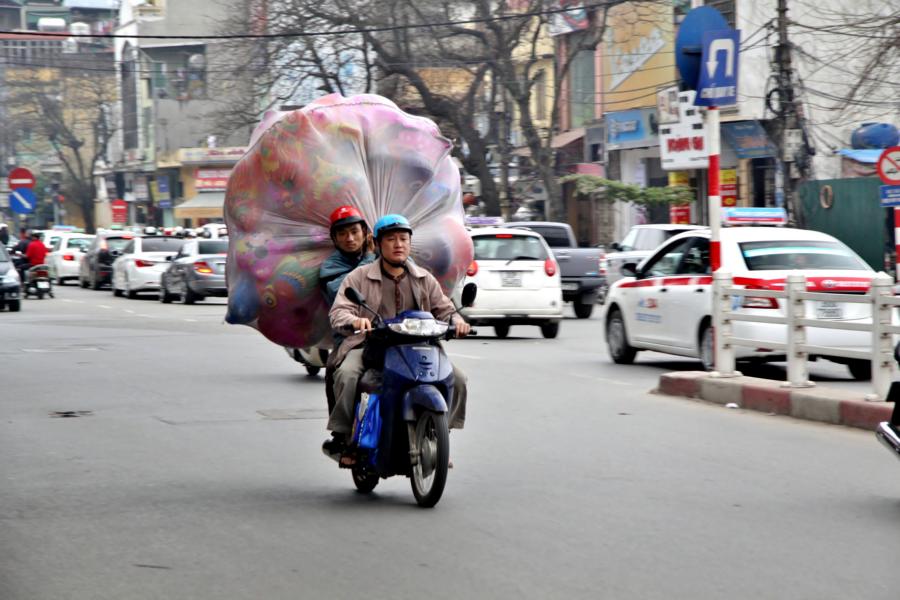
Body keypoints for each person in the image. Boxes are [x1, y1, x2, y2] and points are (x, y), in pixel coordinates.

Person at [324, 214, 470, 461]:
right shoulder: (358, 277)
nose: (398, 244)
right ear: (378, 244)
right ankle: (346, 438)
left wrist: (457, 321)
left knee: (458, 378)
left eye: (403, 238)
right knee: (347, 375)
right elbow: (339, 311)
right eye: (391, 239)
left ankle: (440, 434)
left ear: (410, 243)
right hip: (370, 345)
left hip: (418, 346)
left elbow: (444, 308)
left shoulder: (423, 278)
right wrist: (354, 321)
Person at [319, 205, 375, 308]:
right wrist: (369, 258)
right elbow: (340, 291)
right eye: (342, 234)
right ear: (334, 238)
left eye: (354, 232)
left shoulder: (378, 254)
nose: (350, 239)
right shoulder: (329, 267)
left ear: (364, 232)